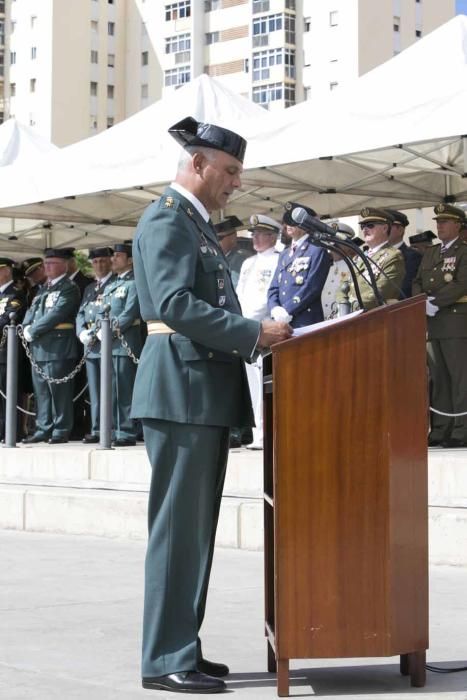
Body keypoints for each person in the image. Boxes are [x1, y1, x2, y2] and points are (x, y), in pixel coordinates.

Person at [130, 116, 292, 694]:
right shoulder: (167, 220)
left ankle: (184, 647)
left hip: (197, 390)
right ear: (196, 164)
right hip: (182, 391)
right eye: (228, 172)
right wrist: (252, 331)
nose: (235, 184)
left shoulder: (195, 225)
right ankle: (164, 657)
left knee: (193, 532)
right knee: (177, 531)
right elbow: (171, 303)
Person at [412, 203, 467, 448]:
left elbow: (461, 284)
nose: (440, 225)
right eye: (438, 221)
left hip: (455, 321)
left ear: (458, 225)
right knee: (439, 378)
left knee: (459, 378)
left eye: (445, 221)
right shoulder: (431, 253)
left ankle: (461, 429)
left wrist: (435, 302)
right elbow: (417, 280)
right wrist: (421, 301)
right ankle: (441, 429)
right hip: (432, 322)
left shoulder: (464, 252)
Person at [22, 248, 80, 444]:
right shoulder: (43, 289)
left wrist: (34, 329)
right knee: (42, 392)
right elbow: (32, 311)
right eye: (46, 263)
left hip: (58, 347)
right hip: (39, 348)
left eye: (52, 263)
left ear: (64, 265)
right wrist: (25, 326)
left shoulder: (68, 287)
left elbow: (58, 313)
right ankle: (43, 427)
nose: (47, 266)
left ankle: (61, 429)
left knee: (59, 392)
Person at [236, 214, 281, 450]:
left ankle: (265, 432)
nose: (255, 238)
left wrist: (248, 322)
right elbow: (240, 294)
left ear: (272, 236)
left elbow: (266, 297)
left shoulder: (276, 260)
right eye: (253, 233)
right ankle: (256, 432)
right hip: (245, 328)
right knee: (252, 383)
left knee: (264, 382)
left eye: (260, 233)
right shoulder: (248, 263)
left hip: (262, 327)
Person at [98, 241, 141, 447]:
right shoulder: (113, 284)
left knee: (124, 391)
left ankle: (126, 431)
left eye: (118, 256)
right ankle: (114, 429)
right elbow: (102, 309)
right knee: (111, 391)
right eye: (113, 255)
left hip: (125, 344)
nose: (113, 259)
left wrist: (108, 331)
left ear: (130, 260)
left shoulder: (134, 283)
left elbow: (129, 314)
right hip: (109, 344)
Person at [267, 201, 331, 328]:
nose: (289, 224)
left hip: (305, 321)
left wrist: (288, 309)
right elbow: (274, 287)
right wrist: (274, 308)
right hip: (282, 321)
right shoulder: (284, 254)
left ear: (306, 223)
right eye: (287, 220)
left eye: (294, 220)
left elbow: (312, 287)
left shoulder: (317, 249)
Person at [76, 246, 115, 444]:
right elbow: (81, 313)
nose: (99, 265)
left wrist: (100, 331)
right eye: (95, 262)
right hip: (91, 345)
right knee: (95, 392)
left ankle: (113, 428)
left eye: (102, 261)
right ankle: (97, 428)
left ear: (110, 262)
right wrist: (81, 331)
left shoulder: (117, 283)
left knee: (112, 389)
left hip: (109, 343)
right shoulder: (90, 288)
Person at [336, 207, 406, 310]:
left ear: (385, 228)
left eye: (370, 225)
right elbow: (343, 286)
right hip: (352, 316)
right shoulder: (359, 257)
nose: (365, 229)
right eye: (363, 226)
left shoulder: (393, 256)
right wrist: (342, 305)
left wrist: (352, 306)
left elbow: (381, 292)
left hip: (375, 317)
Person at [0, 258, 27, 441]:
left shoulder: (15, 295)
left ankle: (10, 432)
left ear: (6, 271)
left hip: (6, 354)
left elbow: (8, 319)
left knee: (7, 395)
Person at [384, 208, 422, 299]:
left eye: (388, 226)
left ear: (400, 230)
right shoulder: (376, 255)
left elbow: (405, 288)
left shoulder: (412, 256)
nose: (384, 230)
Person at [214, 215, 253, 287]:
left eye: (219, 238)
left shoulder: (239, 258)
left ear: (232, 238)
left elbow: (236, 288)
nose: (216, 242)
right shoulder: (223, 258)